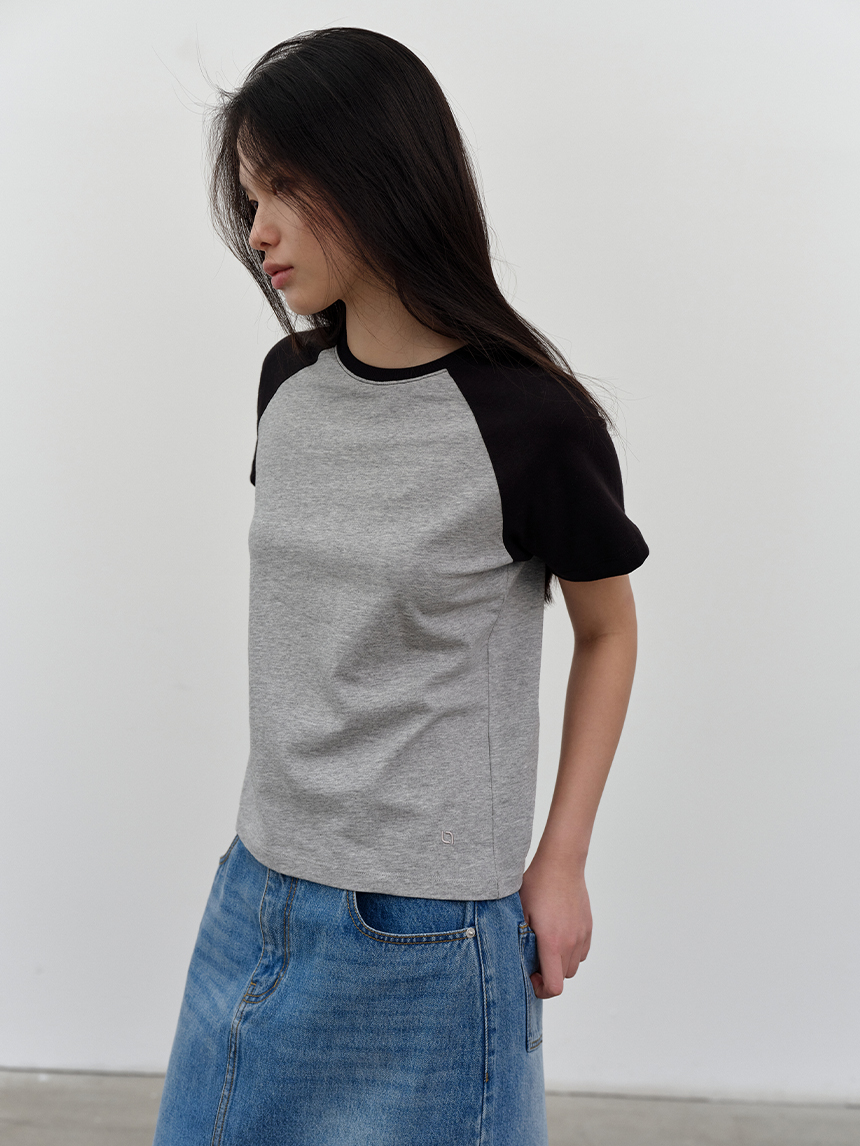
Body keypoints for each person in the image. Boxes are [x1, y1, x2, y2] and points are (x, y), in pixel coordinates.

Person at [152, 26, 648, 1146]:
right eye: (248, 197)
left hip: (427, 936)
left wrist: (561, 862)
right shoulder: (287, 385)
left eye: (282, 188)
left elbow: (608, 631)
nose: (256, 230)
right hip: (254, 892)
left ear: (376, 171)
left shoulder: (530, 421)